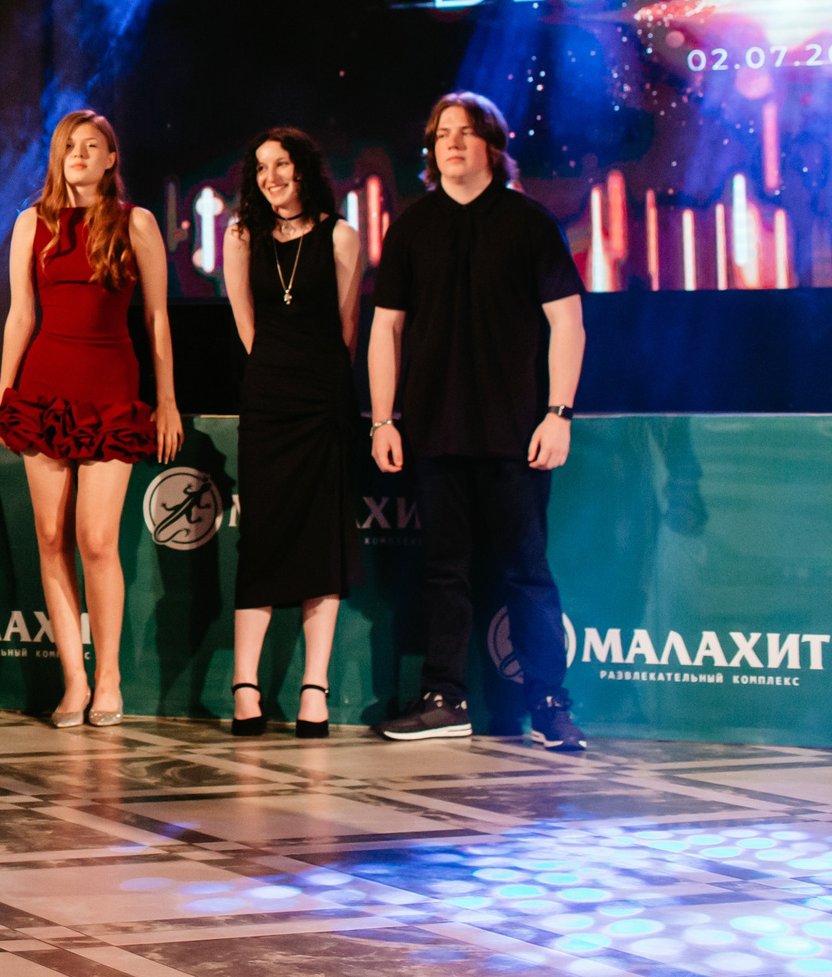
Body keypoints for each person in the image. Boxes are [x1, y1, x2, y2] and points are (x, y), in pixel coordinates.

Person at [369, 91, 588, 752]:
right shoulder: (412, 226)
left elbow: (568, 324)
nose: (453, 143)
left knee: (526, 572)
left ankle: (548, 704)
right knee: (444, 571)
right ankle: (444, 698)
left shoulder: (529, 222)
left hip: (517, 432)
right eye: (442, 134)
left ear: (493, 146)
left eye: (466, 132)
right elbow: (386, 330)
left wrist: (558, 413)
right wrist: (383, 420)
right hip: (434, 431)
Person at [0, 110, 183, 729]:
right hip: (43, 387)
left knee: (97, 540)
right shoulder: (32, 223)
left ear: (111, 158)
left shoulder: (136, 222)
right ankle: (73, 682)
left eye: (91, 145)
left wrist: (166, 400)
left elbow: (156, 318)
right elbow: (21, 314)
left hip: (110, 389)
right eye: (69, 145)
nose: (78, 153)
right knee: (51, 538)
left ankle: (109, 679)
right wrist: (6, 391)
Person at [222, 128, 364, 739]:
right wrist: (276, 378)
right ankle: (245, 686)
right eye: (260, 168)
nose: (271, 177)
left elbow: (348, 329)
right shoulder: (240, 237)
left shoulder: (341, 235)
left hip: (324, 404)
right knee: (261, 540)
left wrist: (319, 384)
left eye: (281, 164)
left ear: (304, 170)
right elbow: (246, 324)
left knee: (321, 544)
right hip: (268, 404)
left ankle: (314, 689)